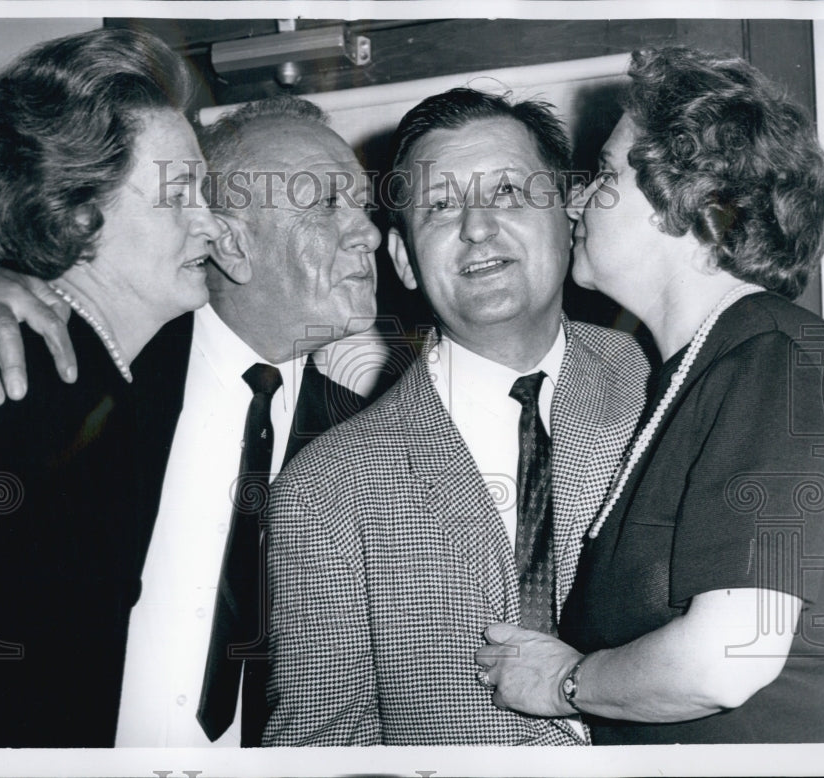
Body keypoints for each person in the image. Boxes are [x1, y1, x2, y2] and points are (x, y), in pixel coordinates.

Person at [0, 94, 382, 746]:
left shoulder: (360, 431)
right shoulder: (99, 354)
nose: (371, 232)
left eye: (363, 205)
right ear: (229, 232)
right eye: (327, 203)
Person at [474, 47, 824, 745]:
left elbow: (726, 660)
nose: (578, 200)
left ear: (695, 206)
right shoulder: (690, 371)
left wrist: (564, 683)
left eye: (607, 175)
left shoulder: (776, 355)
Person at [261, 88, 650, 746]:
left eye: (506, 193)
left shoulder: (661, 382)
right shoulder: (323, 489)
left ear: (567, 212)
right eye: (440, 206)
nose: (476, 227)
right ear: (405, 260)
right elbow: (320, 750)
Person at [0, 28, 230, 747]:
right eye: (182, 193)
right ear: (78, 216)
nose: (212, 219)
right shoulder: (3, 382)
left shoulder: (102, 376)